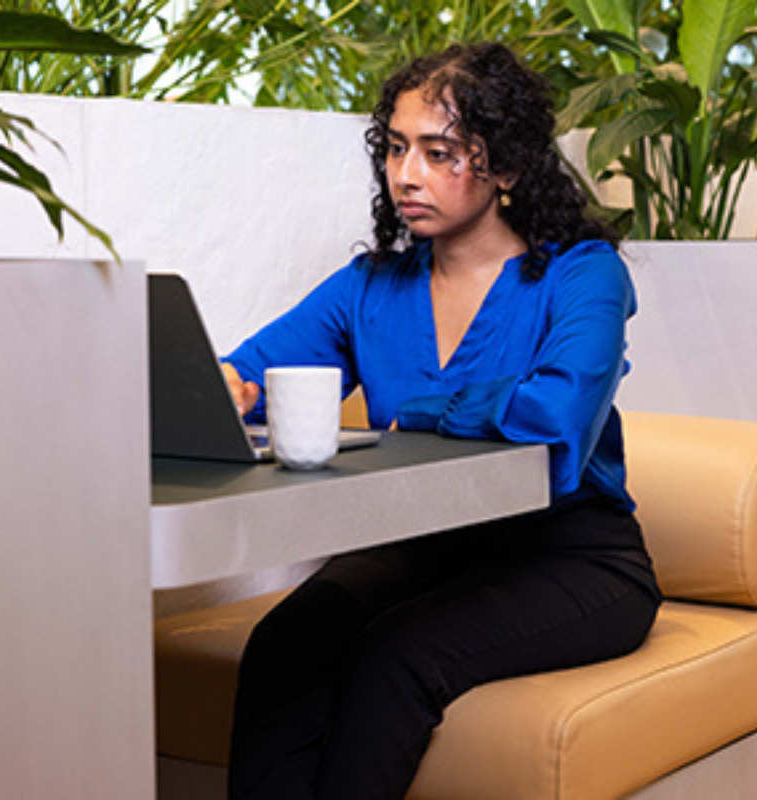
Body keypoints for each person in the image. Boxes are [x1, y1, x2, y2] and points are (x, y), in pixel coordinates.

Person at [223, 41, 662, 800]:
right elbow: (248, 371)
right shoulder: (370, 287)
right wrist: (222, 385)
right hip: (426, 548)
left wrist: (423, 409)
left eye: (439, 152)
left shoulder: (583, 272)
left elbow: (555, 424)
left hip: (573, 556)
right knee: (284, 643)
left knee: (395, 658)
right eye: (396, 148)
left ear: (507, 168)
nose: (406, 175)